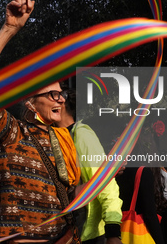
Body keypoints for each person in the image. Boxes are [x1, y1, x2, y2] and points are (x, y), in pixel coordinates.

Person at [0, 0, 81, 243]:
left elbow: (43, 184)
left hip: (64, 237)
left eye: (61, 94)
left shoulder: (62, 138)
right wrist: (9, 29)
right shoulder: (13, 132)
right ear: (31, 101)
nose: (61, 100)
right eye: (53, 94)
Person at [55, 88, 123, 244]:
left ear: (63, 104)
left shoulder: (82, 135)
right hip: (63, 230)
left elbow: (103, 182)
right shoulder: (53, 136)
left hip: (85, 233)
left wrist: (113, 231)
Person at [115, 127, 167, 244]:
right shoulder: (143, 172)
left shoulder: (118, 171)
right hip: (139, 232)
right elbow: (149, 215)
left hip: (119, 230)